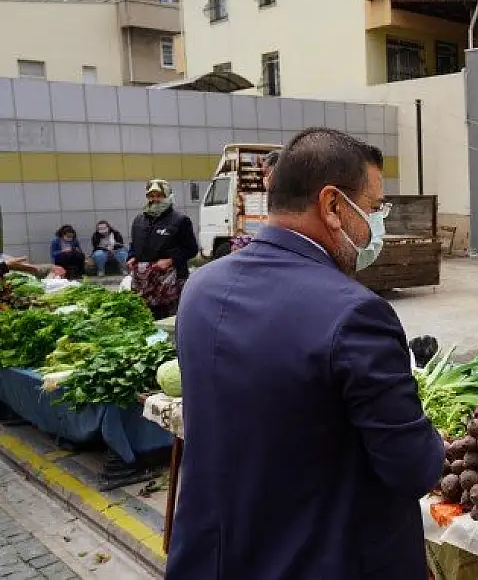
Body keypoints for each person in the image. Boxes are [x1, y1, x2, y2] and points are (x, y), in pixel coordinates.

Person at [167, 128, 443, 580]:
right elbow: (412, 467)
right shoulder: (355, 314)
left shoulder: (201, 287)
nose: (377, 227)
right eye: (373, 209)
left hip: (218, 559)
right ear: (333, 206)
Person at [127, 180, 199, 320]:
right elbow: (134, 244)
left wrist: (170, 260)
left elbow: (191, 249)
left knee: (169, 319)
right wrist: (131, 257)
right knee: (144, 318)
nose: (154, 199)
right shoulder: (139, 220)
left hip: (170, 282)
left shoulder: (180, 220)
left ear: (168, 196)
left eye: (159, 195)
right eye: (151, 196)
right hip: (143, 282)